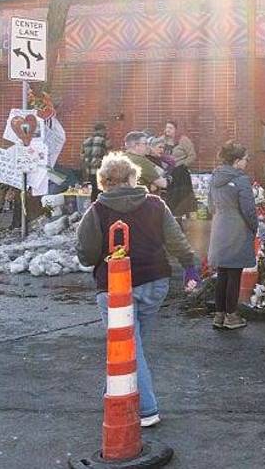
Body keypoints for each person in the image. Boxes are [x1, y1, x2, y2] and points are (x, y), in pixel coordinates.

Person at [76, 153, 198, 429]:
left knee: (129, 345)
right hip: (155, 282)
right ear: (133, 178)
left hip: (114, 289)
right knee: (133, 342)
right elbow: (176, 240)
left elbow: (85, 254)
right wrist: (190, 267)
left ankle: (146, 408)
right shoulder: (156, 204)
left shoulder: (96, 211)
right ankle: (119, 390)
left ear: (104, 182)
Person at [207, 141, 258, 330]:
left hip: (219, 226)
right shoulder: (241, 179)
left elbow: (210, 205)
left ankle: (219, 315)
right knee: (234, 274)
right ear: (237, 161)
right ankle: (231, 316)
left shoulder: (215, 177)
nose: (246, 163)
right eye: (245, 159)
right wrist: (254, 227)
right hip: (237, 228)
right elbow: (248, 210)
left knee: (222, 272)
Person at [81, 123, 109, 196]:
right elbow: (109, 156)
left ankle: (93, 206)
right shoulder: (104, 140)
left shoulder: (86, 141)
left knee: (92, 194)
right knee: (101, 193)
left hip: (89, 172)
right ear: (102, 130)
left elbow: (82, 158)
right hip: (100, 171)